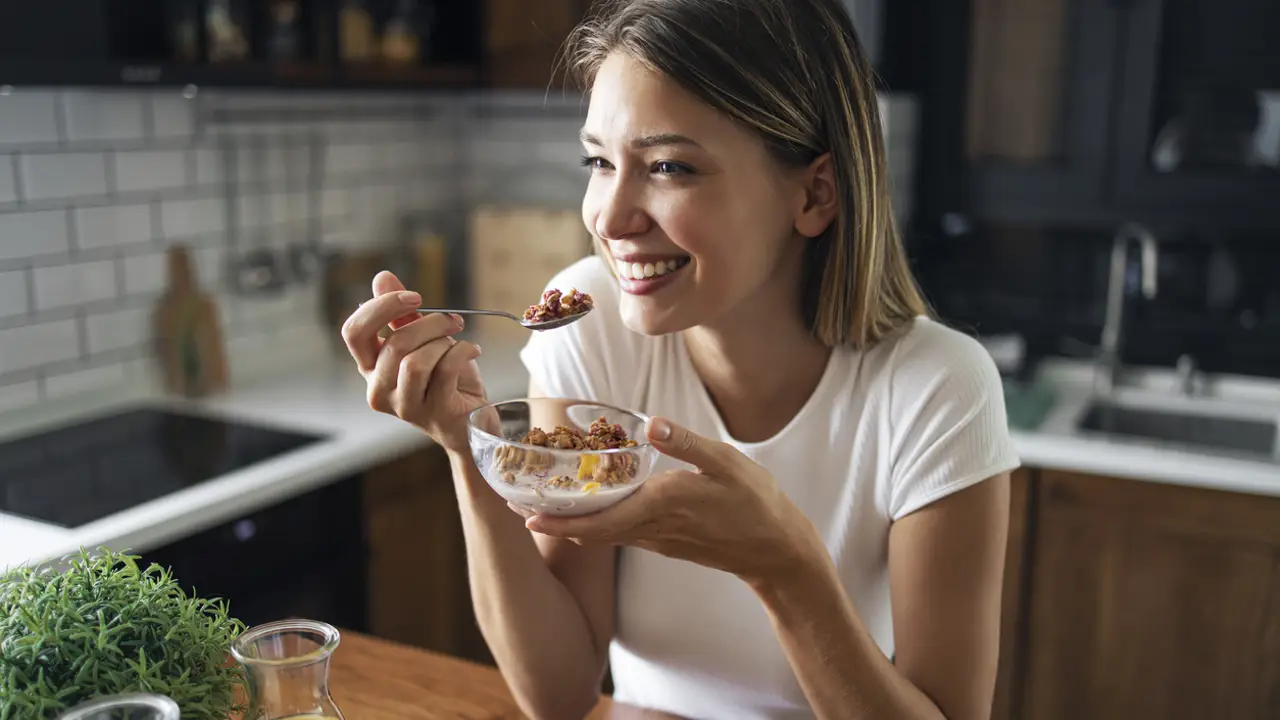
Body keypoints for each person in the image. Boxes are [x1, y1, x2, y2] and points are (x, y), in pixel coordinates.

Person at [340, 0, 1021, 718]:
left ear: (815, 192)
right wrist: (468, 445)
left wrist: (785, 569)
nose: (609, 216)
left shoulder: (938, 388)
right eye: (600, 161)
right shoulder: (588, 323)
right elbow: (560, 693)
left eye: (669, 167)